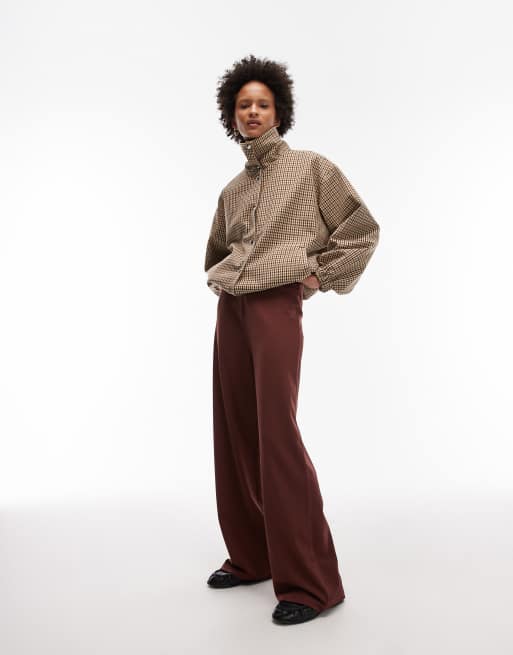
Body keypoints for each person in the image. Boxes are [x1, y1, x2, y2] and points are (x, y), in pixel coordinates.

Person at [204, 54, 380, 625]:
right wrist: (230, 284)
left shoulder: (310, 168)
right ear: (232, 116)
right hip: (233, 308)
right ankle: (251, 556)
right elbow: (218, 251)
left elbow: (361, 230)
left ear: (279, 111)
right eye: (243, 105)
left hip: (276, 306)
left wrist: (317, 276)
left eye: (263, 104)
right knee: (234, 428)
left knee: (276, 432)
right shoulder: (233, 189)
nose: (253, 112)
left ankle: (311, 584)